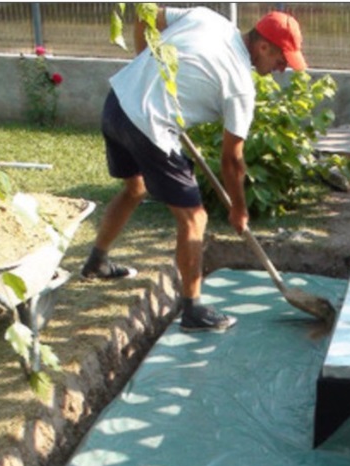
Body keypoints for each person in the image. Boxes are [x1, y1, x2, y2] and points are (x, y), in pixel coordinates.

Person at [80, 6, 307, 332]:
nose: (282, 69)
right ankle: (193, 309)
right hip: (149, 125)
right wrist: (239, 209)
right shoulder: (241, 86)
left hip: (118, 103)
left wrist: (145, 64)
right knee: (195, 218)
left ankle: (96, 263)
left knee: (136, 188)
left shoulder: (209, 19)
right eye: (281, 59)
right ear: (263, 46)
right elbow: (232, 160)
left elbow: (147, 15)